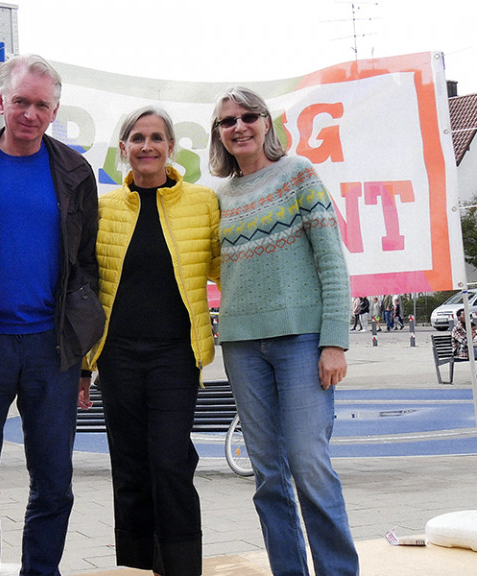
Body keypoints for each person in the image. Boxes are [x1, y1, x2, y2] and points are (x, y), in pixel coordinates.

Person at [0, 54, 104, 576]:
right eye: (20, 101)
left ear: (54, 109)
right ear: (0, 102)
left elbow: (85, 266)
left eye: (41, 104)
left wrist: (83, 357)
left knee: (54, 482)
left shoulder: (75, 171)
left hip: (50, 349)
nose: (29, 113)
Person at [209, 86, 359, 576]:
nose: (238, 127)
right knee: (267, 475)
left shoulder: (299, 174)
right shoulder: (219, 198)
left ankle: (338, 571)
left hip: (301, 342)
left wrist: (334, 340)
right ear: (219, 134)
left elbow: (332, 262)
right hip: (240, 346)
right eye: (227, 121)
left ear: (266, 122)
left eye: (248, 116)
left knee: (309, 465)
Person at [80, 106, 220, 576]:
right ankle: (136, 570)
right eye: (137, 138)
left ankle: (181, 568)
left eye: (157, 137)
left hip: (175, 357)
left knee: (170, 464)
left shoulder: (203, 203)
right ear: (122, 150)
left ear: (171, 148)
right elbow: (89, 288)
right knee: (131, 471)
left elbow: (228, 266)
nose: (147, 146)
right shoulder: (102, 210)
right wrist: (84, 365)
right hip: (117, 358)